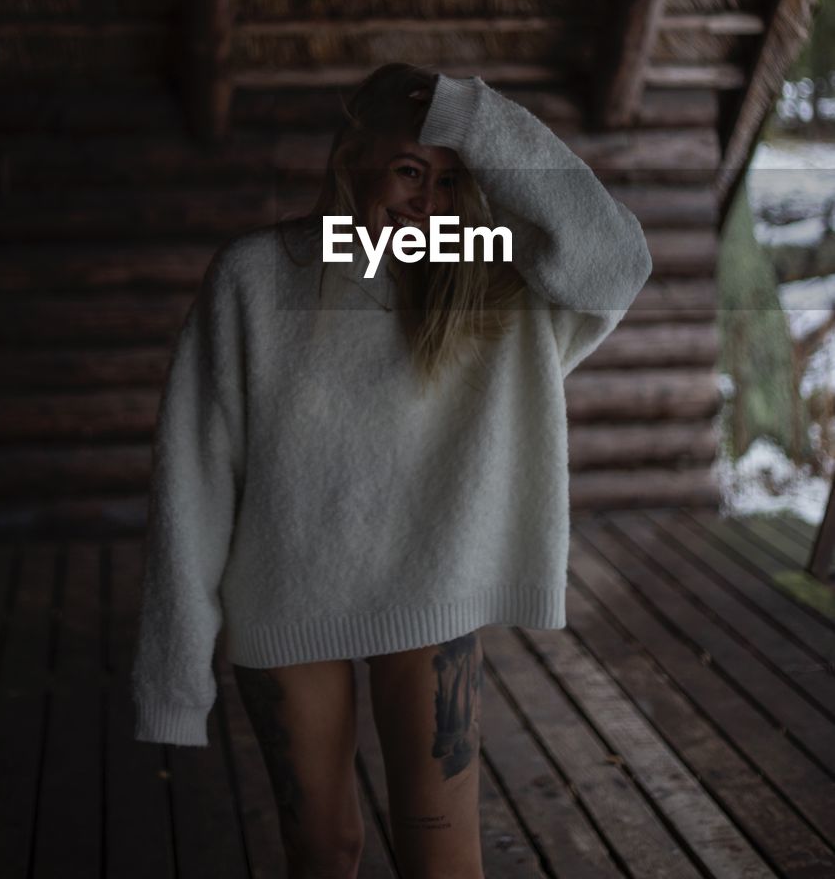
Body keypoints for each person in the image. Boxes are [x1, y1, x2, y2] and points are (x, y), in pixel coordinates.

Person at [131, 63, 653, 878]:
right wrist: (172, 676)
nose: (427, 198)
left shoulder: (494, 283)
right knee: (323, 848)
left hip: (430, 591)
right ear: (353, 162)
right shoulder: (256, 277)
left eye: (451, 179)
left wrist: (475, 115)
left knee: (443, 857)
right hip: (287, 595)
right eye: (410, 170)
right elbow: (190, 483)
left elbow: (615, 259)